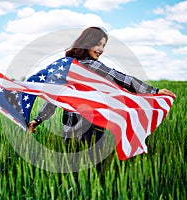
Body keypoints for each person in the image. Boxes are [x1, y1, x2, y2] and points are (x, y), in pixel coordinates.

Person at [28, 26, 176, 166]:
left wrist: (38, 119)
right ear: (87, 43)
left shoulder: (67, 66)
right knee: (91, 164)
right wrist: (153, 91)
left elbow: (55, 95)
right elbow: (124, 79)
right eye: (98, 44)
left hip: (75, 124)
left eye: (103, 45)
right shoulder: (90, 66)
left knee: (75, 163)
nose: (101, 50)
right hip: (88, 123)